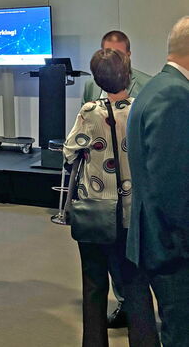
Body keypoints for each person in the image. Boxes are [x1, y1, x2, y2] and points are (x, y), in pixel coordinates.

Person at [64, 49, 159, 347]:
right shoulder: (141, 108)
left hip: (95, 211)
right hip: (132, 214)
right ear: (127, 75)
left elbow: (69, 151)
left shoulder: (90, 112)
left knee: (93, 285)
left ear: (97, 78)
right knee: (135, 283)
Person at [81, 30, 152, 328]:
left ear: (129, 56)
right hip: (100, 193)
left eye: (118, 55)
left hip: (134, 190)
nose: (111, 62)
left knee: (133, 259)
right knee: (108, 260)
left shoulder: (147, 86)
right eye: (106, 54)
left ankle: (134, 307)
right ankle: (124, 303)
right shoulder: (89, 89)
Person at [126, 16, 189, 347]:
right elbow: (173, 186)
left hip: (155, 239)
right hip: (174, 249)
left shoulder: (155, 88)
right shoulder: (176, 96)